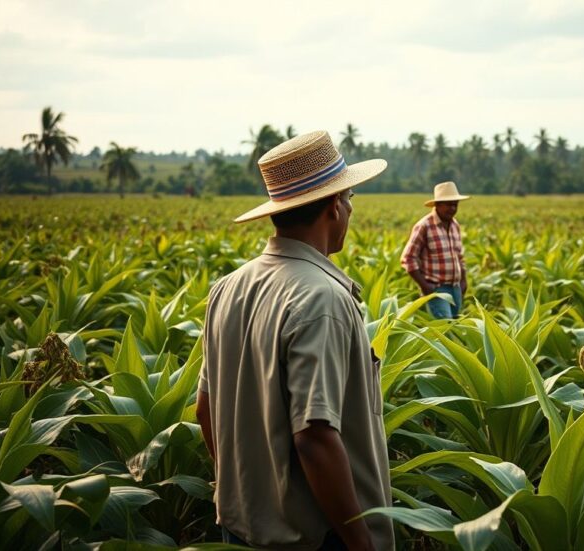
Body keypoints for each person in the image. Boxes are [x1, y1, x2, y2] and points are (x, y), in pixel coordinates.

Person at [197, 131, 393, 550]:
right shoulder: (322, 298)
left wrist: (246, 492)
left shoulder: (227, 288)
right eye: (350, 198)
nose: (350, 208)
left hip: (240, 525)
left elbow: (205, 407)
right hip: (315, 536)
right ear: (333, 207)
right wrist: (360, 541)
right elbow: (315, 435)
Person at [400, 181, 471, 319]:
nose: (452, 208)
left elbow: (459, 257)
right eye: (448, 204)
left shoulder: (455, 225)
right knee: (444, 331)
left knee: (455, 327)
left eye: (455, 204)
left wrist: (463, 281)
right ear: (437, 205)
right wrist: (425, 286)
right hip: (437, 288)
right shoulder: (424, 226)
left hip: (455, 287)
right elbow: (408, 258)